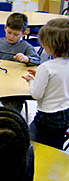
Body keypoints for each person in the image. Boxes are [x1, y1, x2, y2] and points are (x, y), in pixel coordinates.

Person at [22, 18, 69, 149]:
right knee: (54, 145)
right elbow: (61, 81)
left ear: (51, 45)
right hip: (65, 113)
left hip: (47, 116)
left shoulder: (46, 67)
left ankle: (32, 166)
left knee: (29, 143)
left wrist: (32, 81)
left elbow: (36, 94)